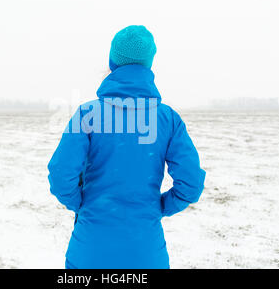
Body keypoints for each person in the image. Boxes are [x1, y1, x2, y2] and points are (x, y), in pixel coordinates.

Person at [48, 25, 206, 269]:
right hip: (146, 254)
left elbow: (61, 175)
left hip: (90, 252)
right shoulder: (168, 119)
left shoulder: (87, 115)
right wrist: (159, 207)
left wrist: (81, 204)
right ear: (148, 65)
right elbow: (191, 184)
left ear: (113, 62)